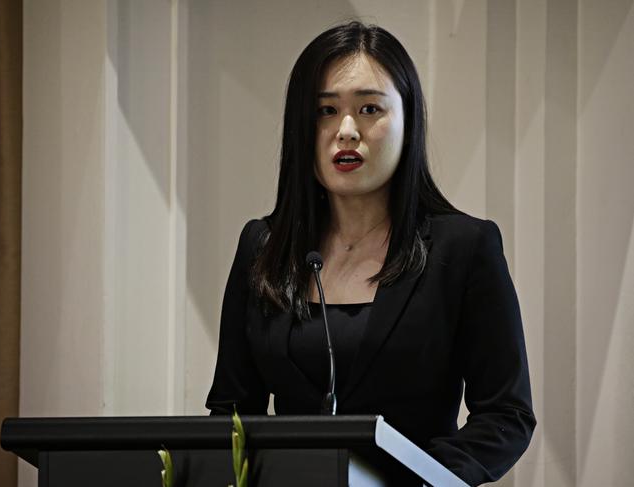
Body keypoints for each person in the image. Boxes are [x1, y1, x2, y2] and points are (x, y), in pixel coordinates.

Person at [206, 21, 535, 486]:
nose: (345, 131)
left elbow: (506, 416)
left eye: (368, 109)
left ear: (408, 120)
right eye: (325, 110)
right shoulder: (263, 247)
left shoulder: (464, 248)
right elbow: (231, 411)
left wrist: (415, 478)